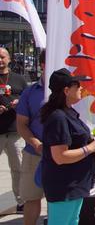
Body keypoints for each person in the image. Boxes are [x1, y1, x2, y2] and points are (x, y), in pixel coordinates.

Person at [40, 68, 95, 224]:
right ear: (66, 90)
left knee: (72, 221)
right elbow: (60, 157)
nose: (81, 88)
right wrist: (90, 148)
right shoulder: (58, 117)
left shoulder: (67, 112)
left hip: (74, 184)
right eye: (77, 86)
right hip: (64, 186)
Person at [16, 51, 46, 225]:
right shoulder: (30, 92)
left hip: (62, 155)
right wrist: (35, 143)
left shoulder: (70, 90)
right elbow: (21, 124)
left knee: (58, 200)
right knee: (32, 198)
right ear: (42, 65)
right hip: (34, 154)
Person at [0, 47, 28, 212]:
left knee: (18, 167)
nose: (0, 60)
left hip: (15, 131)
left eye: (3, 57)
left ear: (9, 59)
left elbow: (27, 99)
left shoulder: (19, 79)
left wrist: (19, 103)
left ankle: (21, 201)